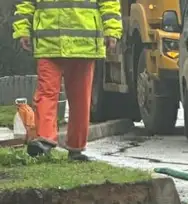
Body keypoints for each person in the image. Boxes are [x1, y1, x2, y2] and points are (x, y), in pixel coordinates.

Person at [11, 0, 123, 161]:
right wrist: (22, 29)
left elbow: (109, 3)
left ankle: (73, 146)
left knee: (77, 98)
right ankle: (46, 140)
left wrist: (112, 30)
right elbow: (26, 3)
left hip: (73, 45)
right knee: (53, 93)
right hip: (64, 44)